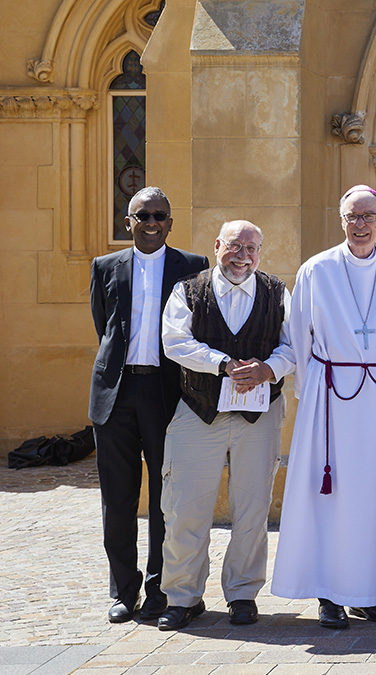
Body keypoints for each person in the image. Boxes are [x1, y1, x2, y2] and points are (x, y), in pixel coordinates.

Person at [271, 185, 376, 629]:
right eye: (352, 217)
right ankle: (329, 594)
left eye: (368, 216)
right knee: (328, 496)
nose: (360, 225)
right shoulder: (316, 269)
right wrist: (314, 391)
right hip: (330, 398)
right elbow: (300, 333)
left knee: (374, 494)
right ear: (342, 221)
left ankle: (368, 591)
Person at [157, 220, 295, 630]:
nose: (243, 255)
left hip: (260, 414)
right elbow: (174, 342)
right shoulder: (188, 289)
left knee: (253, 508)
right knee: (184, 507)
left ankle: (242, 593)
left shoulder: (277, 292)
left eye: (252, 248)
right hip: (198, 411)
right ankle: (182, 597)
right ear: (218, 246)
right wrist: (222, 364)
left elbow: (295, 345)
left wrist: (269, 369)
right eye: (236, 245)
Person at [89, 186, 208, 623]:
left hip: (167, 394)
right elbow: (104, 326)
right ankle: (124, 590)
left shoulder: (193, 267)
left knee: (167, 498)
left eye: (160, 215)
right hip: (115, 395)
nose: (152, 223)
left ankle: (162, 588)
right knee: (117, 500)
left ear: (171, 223)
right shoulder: (105, 266)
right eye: (143, 216)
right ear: (128, 222)